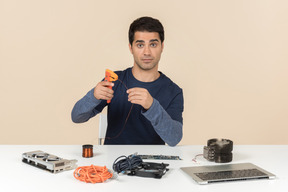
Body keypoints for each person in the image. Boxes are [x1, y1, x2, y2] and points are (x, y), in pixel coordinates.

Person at [71, 16, 184, 146]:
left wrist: (152, 106)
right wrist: (93, 96)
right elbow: (76, 117)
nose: (147, 52)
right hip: (113, 162)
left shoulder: (173, 91)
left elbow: (174, 138)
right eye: (140, 45)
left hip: (153, 162)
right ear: (131, 48)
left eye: (153, 44)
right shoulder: (114, 81)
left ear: (162, 47)